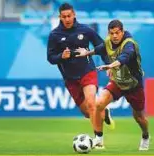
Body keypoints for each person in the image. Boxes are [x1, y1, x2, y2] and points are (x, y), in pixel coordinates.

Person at [47, 3, 115, 148]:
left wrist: (108, 64)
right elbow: (50, 58)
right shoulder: (54, 35)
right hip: (70, 78)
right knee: (88, 113)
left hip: (87, 71)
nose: (67, 19)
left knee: (91, 104)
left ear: (74, 15)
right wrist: (61, 56)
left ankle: (98, 141)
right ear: (60, 17)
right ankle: (104, 111)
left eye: (69, 16)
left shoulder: (85, 30)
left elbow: (102, 47)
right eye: (64, 16)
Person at [75, 19, 150, 150]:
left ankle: (145, 135)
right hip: (117, 82)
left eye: (117, 33)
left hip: (134, 85)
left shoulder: (129, 44)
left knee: (139, 117)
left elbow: (124, 58)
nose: (114, 36)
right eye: (111, 33)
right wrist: (87, 53)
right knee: (98, 104)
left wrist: (110, 65)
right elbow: (99, 49)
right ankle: (98, 139)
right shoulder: (108, 42)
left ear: (122, 31)